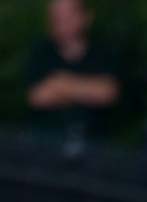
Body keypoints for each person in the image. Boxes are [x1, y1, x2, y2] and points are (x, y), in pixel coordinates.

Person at [25, 0, 120, 151]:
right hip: (47, 146)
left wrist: (61, 84)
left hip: (94, 145)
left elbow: (107, 93)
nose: (60, 23)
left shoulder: (103, 53)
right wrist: (86, 89)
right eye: (55, 18)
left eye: (67, 17)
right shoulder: (40, 53)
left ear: (85, 18)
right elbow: (38, 98)